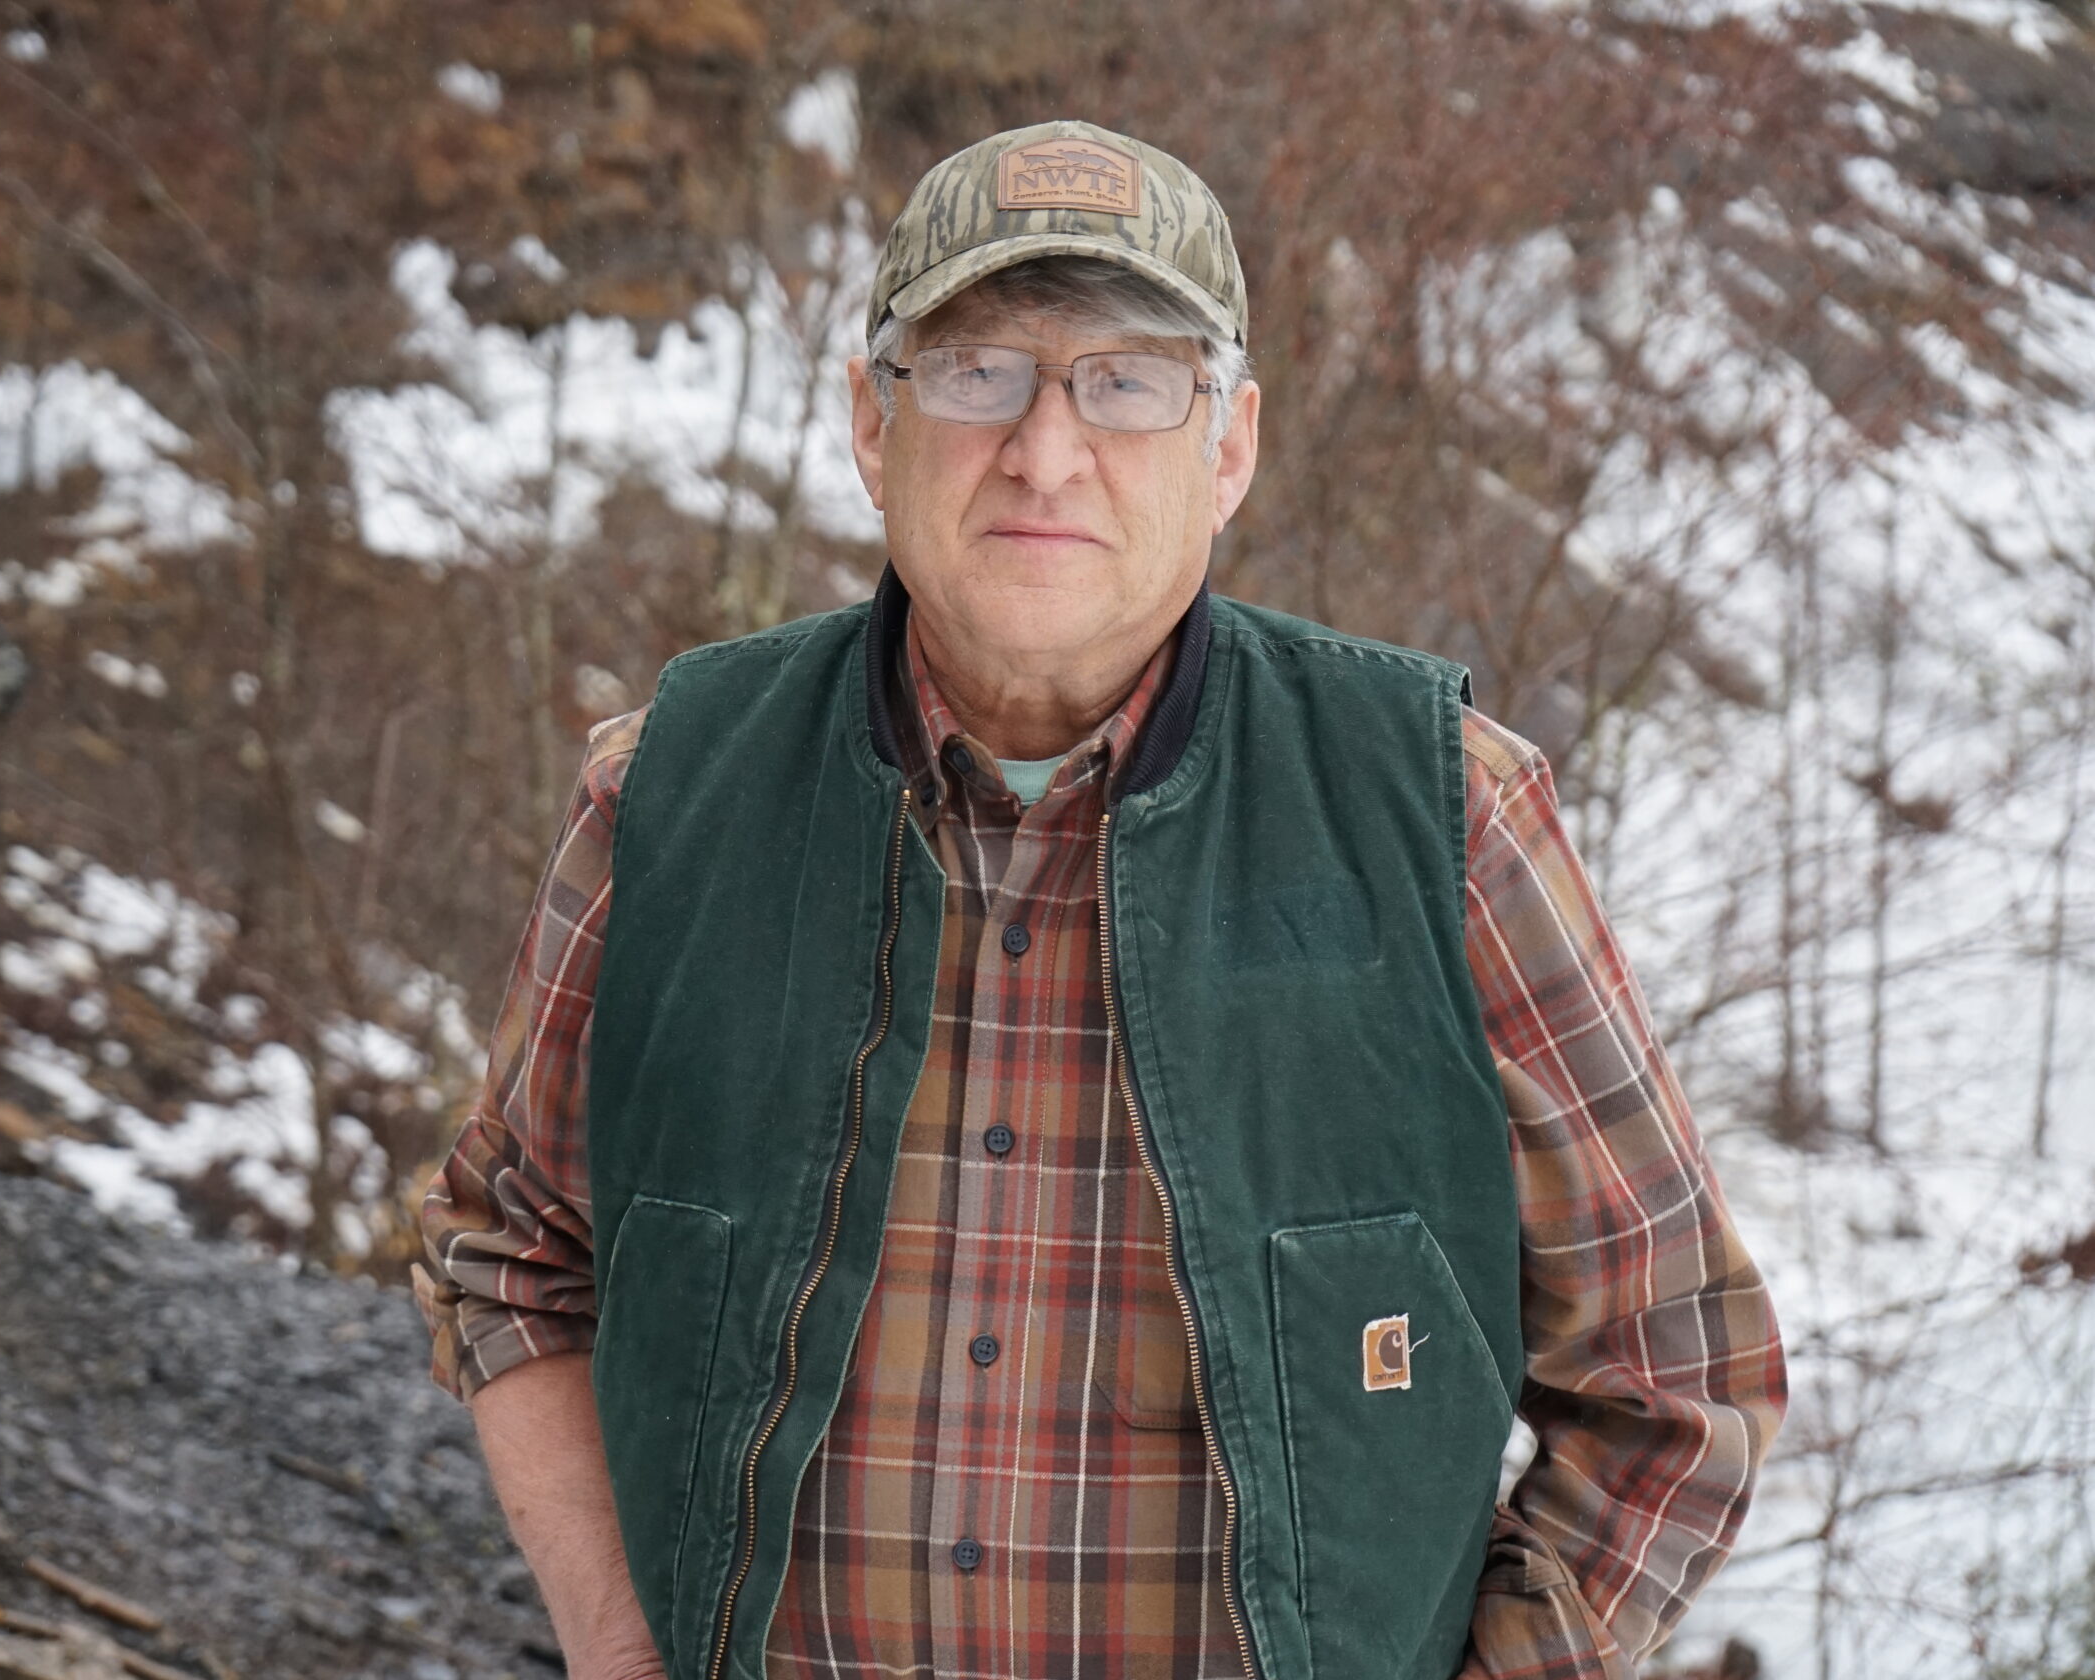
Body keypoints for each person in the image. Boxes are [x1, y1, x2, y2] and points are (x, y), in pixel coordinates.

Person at [415, 118, 1786, 1680]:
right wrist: (614, 1641)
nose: (1044, 451)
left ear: (1231, 446)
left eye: (1128, 380)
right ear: (873, 425)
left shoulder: (1441, 812)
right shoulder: (666, 790)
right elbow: (509, 1250)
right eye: (977, 370)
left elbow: (1679, 1373)